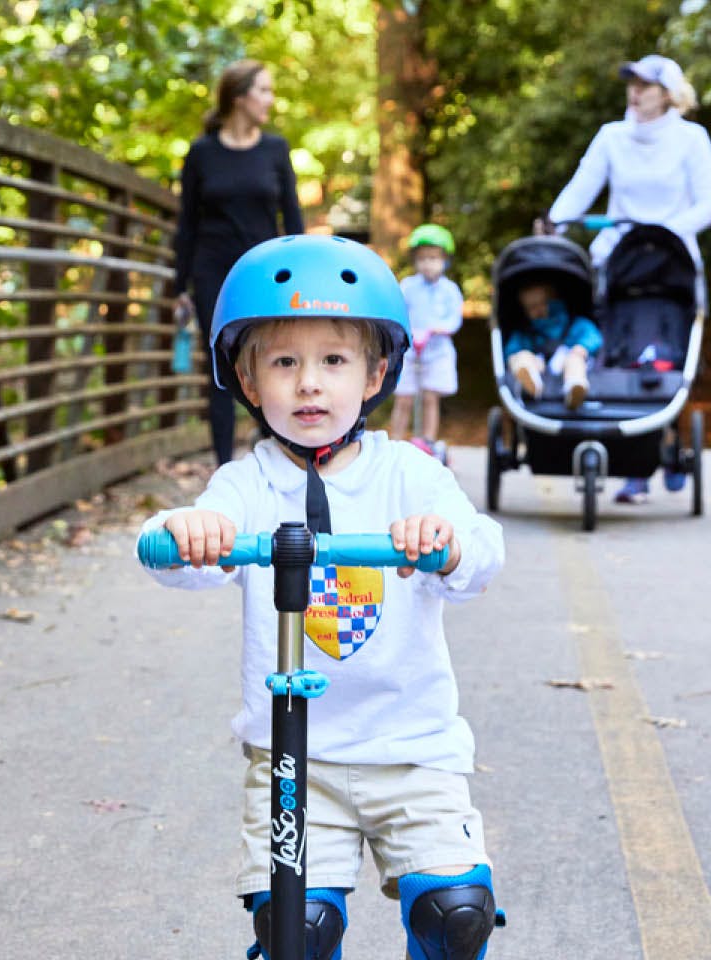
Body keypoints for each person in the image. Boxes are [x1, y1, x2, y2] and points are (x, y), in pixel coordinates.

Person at [139, 235, 506, 960]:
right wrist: (186, 530)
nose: (310, 383)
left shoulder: (409, 474)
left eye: (333, 360)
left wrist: (450, 542)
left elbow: (482, 552)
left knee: (454, 912)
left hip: (414, 751)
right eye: (284, 362)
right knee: (296, 932)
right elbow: (174, 556)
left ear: (374, 375)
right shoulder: (247, 486)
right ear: (246, 380)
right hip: (293, 760)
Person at [540, 53, 711, 503]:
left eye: (645, 85)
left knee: (667, 355)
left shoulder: (691, 139)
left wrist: (665, 231)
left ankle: (667, 438)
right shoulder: (612, 137)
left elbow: (710, 203)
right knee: (615, 351)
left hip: (671, 260)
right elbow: (583, 187)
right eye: (632, 84)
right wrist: (556, 222)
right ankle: (629, 462)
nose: (635, 92)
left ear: (668, 94)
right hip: (618, 262)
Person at [174, 59, 305, 467]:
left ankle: (277, 460)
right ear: (239, 96)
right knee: (219, 368)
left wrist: (298, 273)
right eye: (264, 90)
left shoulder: (275, 149)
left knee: (270, 359)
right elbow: (187, 223)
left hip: (266, 273)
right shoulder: (201, 153)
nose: (270, 99)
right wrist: (180, 288)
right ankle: (223, 470)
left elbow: (293, 218)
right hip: (212, 271)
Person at [389, 224, 463, 451]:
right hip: (410, 351)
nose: (427, 264)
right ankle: (394, 444)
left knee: (431, 398)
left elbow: (454, 319)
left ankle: (428, 443)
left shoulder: (450, 290)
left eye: (433, 258)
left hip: (436, 351)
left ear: (444, 260)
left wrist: (437, 329)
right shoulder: (408, 286)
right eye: (422, 259)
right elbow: (398, 311)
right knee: (404, 399)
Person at [504, 280, 603, 409]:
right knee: (521, 356)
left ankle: (574, 387)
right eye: (532, 307)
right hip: (539, 364)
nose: (538, 309)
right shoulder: (526, 331)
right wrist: (514, 357)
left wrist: (582, 347)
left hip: (566, 359)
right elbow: (513, 348)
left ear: (554, 302)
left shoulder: (575, 323)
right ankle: (530, 382)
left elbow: (592, 336)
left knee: (574, 360)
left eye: (542, 304)